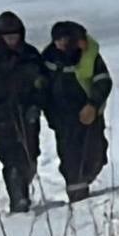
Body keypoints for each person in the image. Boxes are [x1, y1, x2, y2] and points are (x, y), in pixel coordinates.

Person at [0, 11, 47, 213]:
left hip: (28, 114)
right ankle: (19, 199)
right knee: (11, 159)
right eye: (8, 36)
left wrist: (37, 104)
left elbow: (43, 83)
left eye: (15, 35)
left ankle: (22, 190)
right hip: (1, 115)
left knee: (30, 156)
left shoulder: (31, 54)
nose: (12, 40)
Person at [41, 21, 112, 203]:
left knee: (96, 155)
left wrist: (93, 104)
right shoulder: (48, 58)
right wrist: (50, 114)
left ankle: (85, 178)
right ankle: (78, 198)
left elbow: (103, 81)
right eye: (59, 40)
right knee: (70, 157)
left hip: (89, 113)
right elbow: (42, 89)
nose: (62, 44)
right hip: (63, 117)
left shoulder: (90, 56)